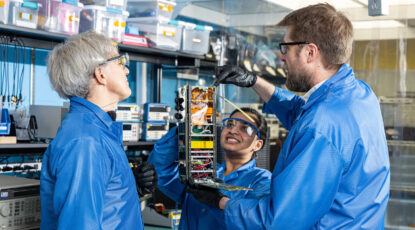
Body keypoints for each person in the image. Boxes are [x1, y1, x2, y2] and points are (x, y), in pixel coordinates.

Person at [186, 3, 390, 229]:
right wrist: (254, 81)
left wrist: (220, 201)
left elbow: (278, 221)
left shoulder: (322, 125)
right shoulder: (357, 93)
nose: (282, 58)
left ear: (310, 52)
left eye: (286, 48)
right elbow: (300, 112)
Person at [40, 31, 157, 230]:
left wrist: (128, 188)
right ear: (100, 73)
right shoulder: (85, 141)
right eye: (120, 63)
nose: (127, 70)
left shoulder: (96, 131)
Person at [148, 107, 272, 230]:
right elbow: (161, 171)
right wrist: (179, 133)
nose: (233, 130)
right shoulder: (202, 170)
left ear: (258, 144)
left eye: (245, 128)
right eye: (230, 124)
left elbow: (257, 222)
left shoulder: (261, 180)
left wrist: (219, 201)